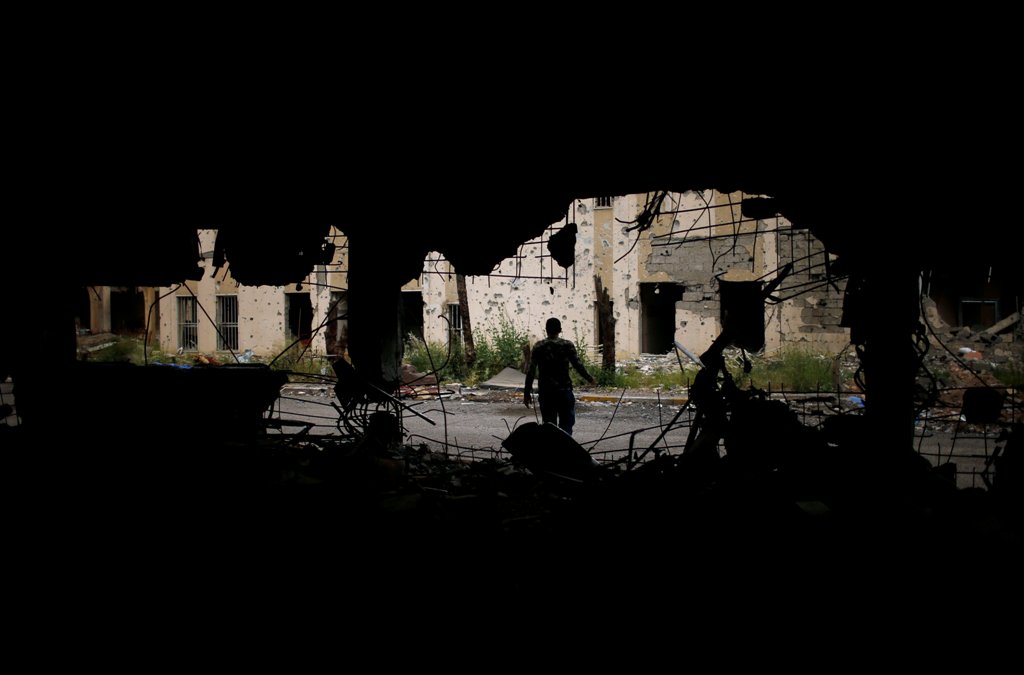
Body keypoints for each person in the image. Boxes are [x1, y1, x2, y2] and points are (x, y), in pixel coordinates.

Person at [524, 317, 595, 435]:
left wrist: (527, 393)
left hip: (546, 393)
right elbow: (578, 365)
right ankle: (564, 451)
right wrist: (589, 378)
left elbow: (531, 371)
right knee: (566, 426)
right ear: (560, 330)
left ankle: (552, 452)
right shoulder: (567, 345)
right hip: (564, 391)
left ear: (546, 330)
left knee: (549, 427)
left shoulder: (538, 346)